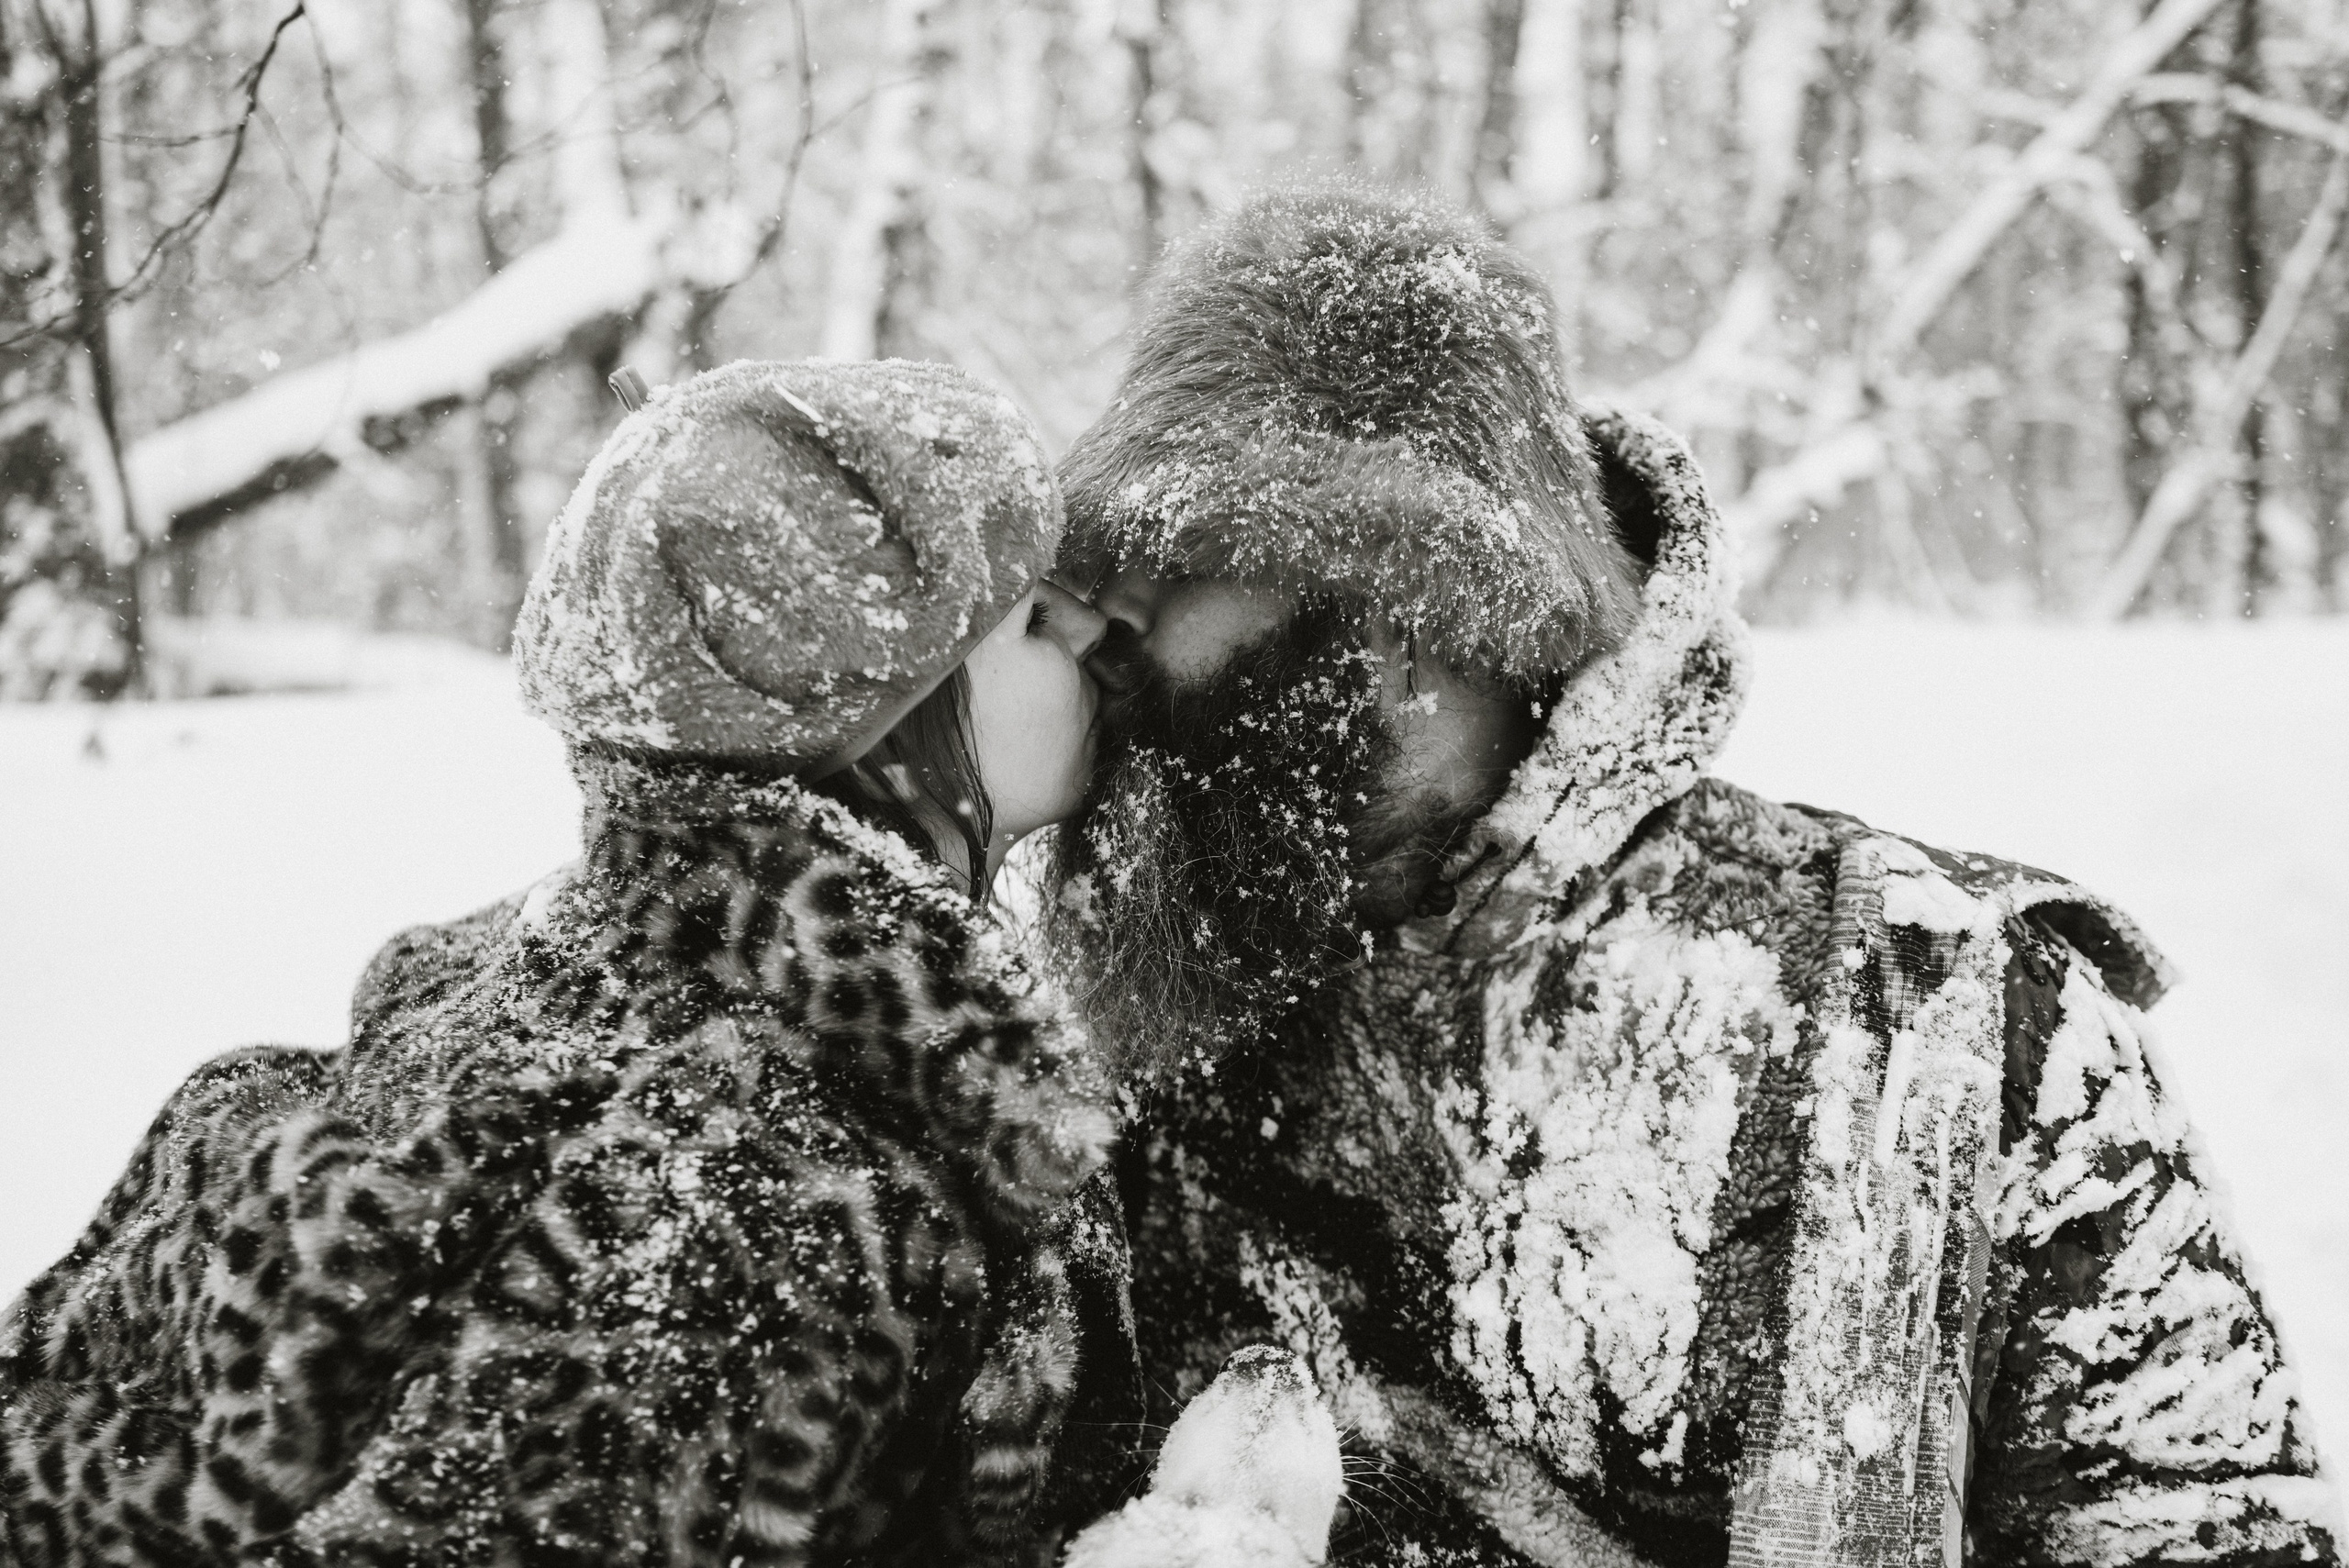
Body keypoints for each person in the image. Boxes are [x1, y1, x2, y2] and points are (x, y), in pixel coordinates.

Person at [1041, 186, 2341, 1567]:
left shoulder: (1956, 1024)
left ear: (1409, 600)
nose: (1112, 633)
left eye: (1172, 563)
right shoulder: (1113, 1040)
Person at [1, 359, 1129, 1567]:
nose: (1098, 625)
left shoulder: (608, 971)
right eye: (1030, 608)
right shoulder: (746, 1197)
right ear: (859, 711)